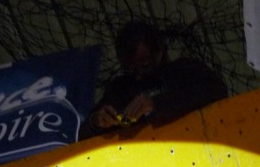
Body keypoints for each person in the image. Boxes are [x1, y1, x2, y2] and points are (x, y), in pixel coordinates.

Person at [79, 20, 227, 138]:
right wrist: (97, 121)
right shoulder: (120, 89)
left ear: (159, 53)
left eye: (144, 66)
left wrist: (156, 104)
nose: (138, 75)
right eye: (130, 69)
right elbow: (83, 133)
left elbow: (217, 90)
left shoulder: (182, 70)